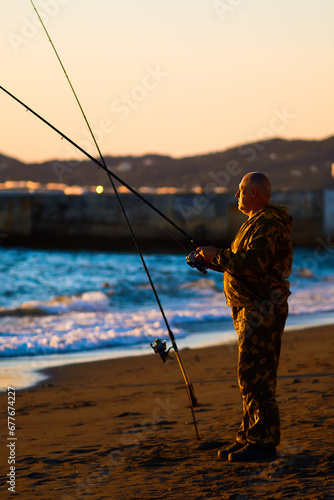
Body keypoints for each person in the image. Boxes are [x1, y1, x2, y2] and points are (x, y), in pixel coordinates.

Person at [196, 171, 293, 462]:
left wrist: (217, 254)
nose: (236, 195)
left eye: (240, 190)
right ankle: (249, 435)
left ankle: (262, 443)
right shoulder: (255, 223)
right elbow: (241, 265)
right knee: (249, 374)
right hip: (251, 308)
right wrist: (211, 261)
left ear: (254, 193)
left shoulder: (267, 223)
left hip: (262, 309)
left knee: (257, 376)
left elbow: (255, 264)